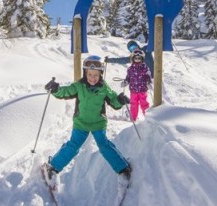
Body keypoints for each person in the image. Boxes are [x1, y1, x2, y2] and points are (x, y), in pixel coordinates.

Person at [43, 55, 132, 183]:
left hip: (98, 123)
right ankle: (53, 167)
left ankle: (123, 169)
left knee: (103, 145)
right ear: (85, 73)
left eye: (96, 75)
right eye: (90, 74)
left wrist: (119, 100)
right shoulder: (79, 86)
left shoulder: (104, 87)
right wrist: (56, 90)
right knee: (73, 145)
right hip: (81, 123)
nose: (92, 78)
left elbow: (113, 101)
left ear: (101, 74)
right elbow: (66, 91)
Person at [124, 48, 152, 121]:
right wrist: (126, 82)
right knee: (133, 105)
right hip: (133, 90)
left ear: (142, 59)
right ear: (133, 58)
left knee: (144, 104)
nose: (137, 59)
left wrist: (149, 82)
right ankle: (133, 118)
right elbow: (128, 77)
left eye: (139, 58)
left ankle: (148, 118)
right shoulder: (130, 69)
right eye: (135, 58)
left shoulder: (145, 67)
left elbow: (148, 75)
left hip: (142, 89)